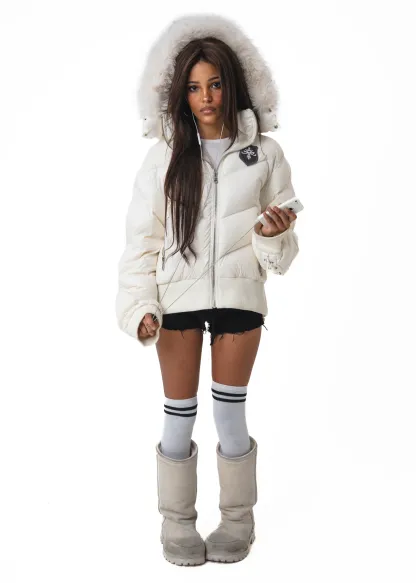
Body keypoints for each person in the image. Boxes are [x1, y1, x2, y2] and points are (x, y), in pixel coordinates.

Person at [115, 13, 300, 566]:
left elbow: (283, 256)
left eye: (215, 84)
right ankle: (177, 524)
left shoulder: (265, 154)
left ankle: (238, 521)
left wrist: (272, 235)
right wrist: (139, 305)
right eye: (194, 88)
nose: (206, 98)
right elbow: (141, 241)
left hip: (240, 299)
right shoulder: (164, 157)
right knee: (178, 415)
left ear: (232, 84)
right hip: (176, 301)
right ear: (180, 93)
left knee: (229, 415)